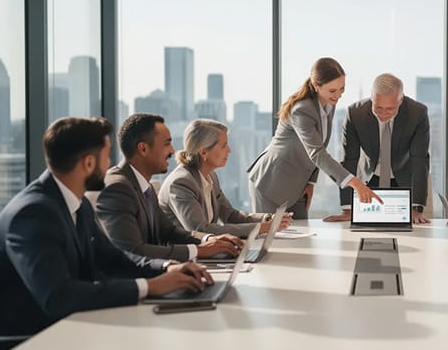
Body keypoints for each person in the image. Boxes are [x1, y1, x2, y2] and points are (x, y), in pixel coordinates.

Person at [0, 117, 213, 337]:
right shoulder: (32, 214)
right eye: (107, 156)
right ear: (89, 162)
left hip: (67, 327)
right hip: (25, 344)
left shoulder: (76, 203)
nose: (110, 165)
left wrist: (166, 268)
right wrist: (149, 286)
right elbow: (58, 296)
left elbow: (111, 258)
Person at [97, 114, 243, 262]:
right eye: (166, 144)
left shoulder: (143, 185)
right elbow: (134, 250)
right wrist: (198, 250)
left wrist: (209, 239)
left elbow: (168, 231)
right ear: (143, 149)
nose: (173, 151)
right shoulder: (118, 188)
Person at [248, 57, 381, 218]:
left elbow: (319, 145)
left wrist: (310, 182)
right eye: (332, 90)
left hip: (297, 185)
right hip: (271, 182)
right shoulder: (302, 110)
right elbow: (317, 153)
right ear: (316, 85)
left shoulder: (328, 104)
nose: (338, 95)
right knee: (273, 238)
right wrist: (356, 184)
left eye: (342, 89)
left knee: (301, 236)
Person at [323, 73, 431, 224]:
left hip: (404, 180)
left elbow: (419, 160)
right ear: (372, 98)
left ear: (401, 100)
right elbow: (349, 159)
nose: (383, 114)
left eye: (390, 109)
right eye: (378, 107)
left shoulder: (417, 113)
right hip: (368, 179)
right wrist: (347, 208)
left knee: (405, 230)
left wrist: (416, 207)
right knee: (367, 229)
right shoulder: (355, 113)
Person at [159, 119, 292, 237]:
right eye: (223, 145)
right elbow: (200, 230)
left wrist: (266, 219)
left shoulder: (210, 176)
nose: (229, 150)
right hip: (186, 257)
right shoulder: (181, 183)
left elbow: (229, 215)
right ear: (204, 152)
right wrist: (261, 228)